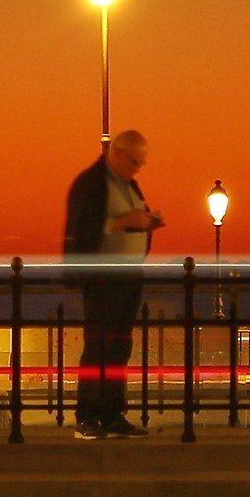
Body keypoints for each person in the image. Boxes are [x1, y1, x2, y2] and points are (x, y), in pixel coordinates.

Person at [62, 131, 163, 437]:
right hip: (103, 276)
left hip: (128, 276)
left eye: (142, 164)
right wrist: (126, 221)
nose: (138, 168)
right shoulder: (92, 183)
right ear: (117, 153)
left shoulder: (127, 184)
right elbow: (84, 227)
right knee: (99, 345)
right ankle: (88, 415)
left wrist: (145, 221)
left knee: (119, 346)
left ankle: (112, 413)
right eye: (134, 161)